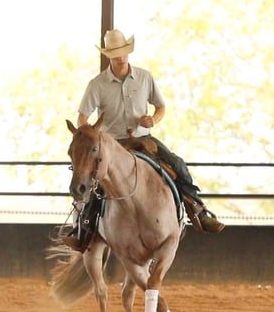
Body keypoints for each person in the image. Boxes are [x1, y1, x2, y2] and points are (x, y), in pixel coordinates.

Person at [62, 29, 225, 252]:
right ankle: (83, 230)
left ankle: (198, 210)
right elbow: (82, 117)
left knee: (177, 164)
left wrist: (153, 120)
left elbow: (161, 107)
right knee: (95, 180)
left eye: (124, 52)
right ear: (108, 55)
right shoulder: (97, 84)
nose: (121, 57)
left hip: (142, 139)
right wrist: (90, 136)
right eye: (116, 53)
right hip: (112, 144)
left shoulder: (144, 77)